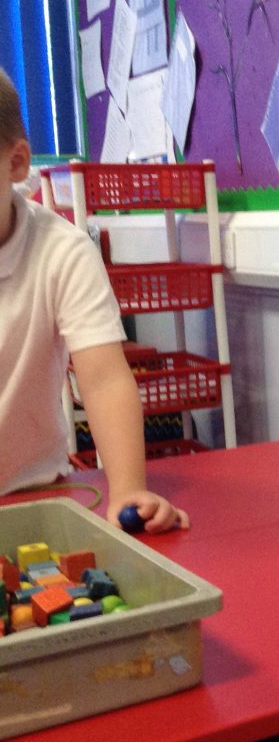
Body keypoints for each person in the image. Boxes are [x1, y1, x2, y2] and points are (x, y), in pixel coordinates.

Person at [0, 68, 186, 532]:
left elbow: (103, 380)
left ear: (16, 163)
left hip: (33, 493)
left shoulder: (62, 251)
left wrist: (127, 490)